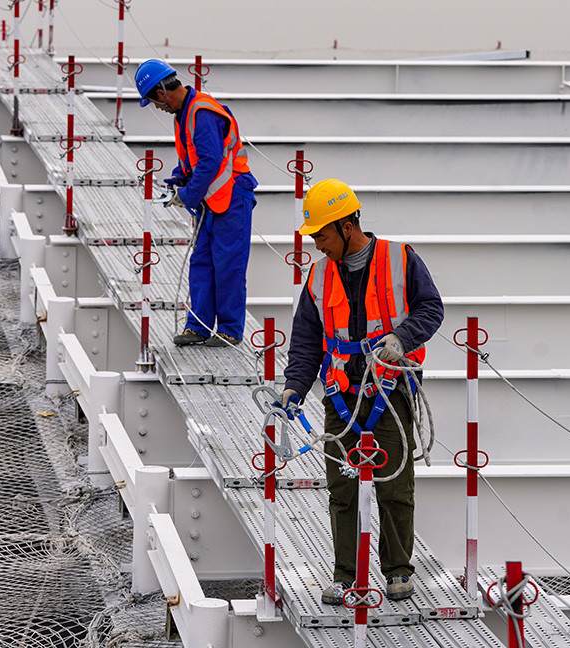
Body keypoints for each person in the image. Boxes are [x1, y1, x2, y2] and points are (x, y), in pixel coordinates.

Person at [279, 179, 444, 605]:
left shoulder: (399, 259)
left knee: (393, 483)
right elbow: (306, 338)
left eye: (322, 234)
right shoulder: (318, 276)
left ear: (347, 226)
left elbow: (431, 308)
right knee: (342, 487)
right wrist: (294, 387)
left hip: (391, 388)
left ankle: (397, 571)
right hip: (340, 392)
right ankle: (347, 575)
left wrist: (401, 339)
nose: (318, 244)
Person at [134, 59, 257, 347]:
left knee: (228, 265)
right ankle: (198, 326)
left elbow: (211, 163)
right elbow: (192, 160)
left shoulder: (201, 113)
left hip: (231, 197)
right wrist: (178, 179)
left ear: (162, 91)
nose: (157, 108)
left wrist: (187, 195)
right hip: (212, 200)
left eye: (154, 101)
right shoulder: (185, 113)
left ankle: (229, 330)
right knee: (202, 261)